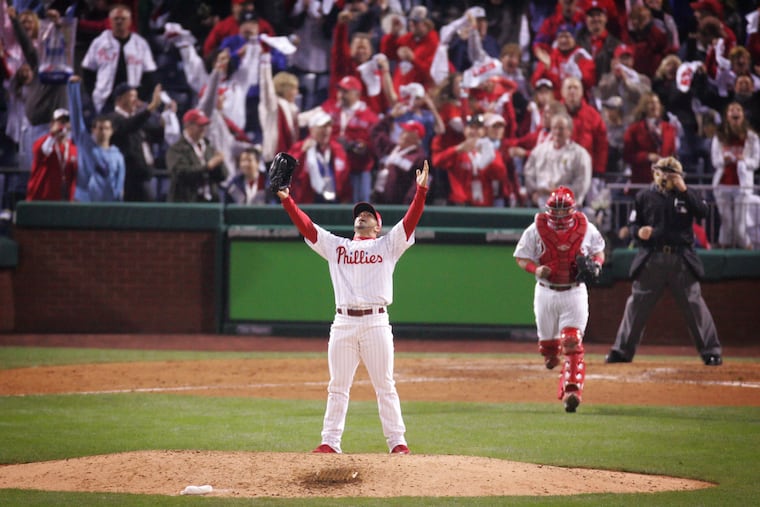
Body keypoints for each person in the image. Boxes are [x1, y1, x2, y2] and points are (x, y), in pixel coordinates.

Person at [275, 158, 430, 454]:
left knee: (385, 385)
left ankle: (398, 442)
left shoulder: (387, 245)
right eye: (359, 215)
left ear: (378, 225)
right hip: (343, 323)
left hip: (376, 323)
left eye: (368, 215)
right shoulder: (337, 246)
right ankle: (330, 442)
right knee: (337, 386)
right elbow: (307, 227)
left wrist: (420, 192)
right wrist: (286, 198)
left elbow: (410, 220)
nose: (362, 217)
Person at [605, 156, 723, 366]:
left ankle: (711, 352)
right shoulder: (644, 196)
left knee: (694, 306)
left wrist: (684, 189)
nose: (665, 176)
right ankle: (622, 351)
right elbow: (633, 225)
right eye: (662, 171)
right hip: (652, 258)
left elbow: (703, 212)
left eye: (671, 173)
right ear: (654, 172)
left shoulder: (688, 194)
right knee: (637, 306)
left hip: (681, 259)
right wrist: (639, 232)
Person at [514, 185, 606, 413]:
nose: (560, 215)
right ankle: (550, 354)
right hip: (546, 291)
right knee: (549, 350)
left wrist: (596, 265)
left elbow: (599, 252)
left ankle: (572, 391)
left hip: (574, 290)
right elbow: (521, 257)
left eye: (565, 210)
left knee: (572, 342)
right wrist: (536, 269)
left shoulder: (587, 228)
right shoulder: (536, 228)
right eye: (556, 210)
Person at [81, 5, 157, 113]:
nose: (119, 22)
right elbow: (88, 71)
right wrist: (94, 92)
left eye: (123, 19)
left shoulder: (140, 44)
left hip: (132, 101)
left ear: (130, 21)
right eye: (116, 19)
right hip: (105, 98)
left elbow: (150, 75)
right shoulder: (99, 42)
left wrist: (140, 97)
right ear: (110, 21)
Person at [710, 102, 760, 249]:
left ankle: (747, 249)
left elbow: (756, 161)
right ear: (727, 116)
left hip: (742, 185)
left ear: (743, 115)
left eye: (738, 109)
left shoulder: (752, 137)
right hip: (723, 184)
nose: (735, 112)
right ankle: (724, 248)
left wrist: (744, 160)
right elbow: (715, 160)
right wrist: (723, 160)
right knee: (726, 222)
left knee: (740, 223)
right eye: (732, 110)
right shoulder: (719, 136)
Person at [67, 77, 125, 202]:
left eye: (106, 128)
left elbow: (119, 186)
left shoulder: (118, 156)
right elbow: (76, 117)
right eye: (99, 128)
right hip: (84, 202)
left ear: (111, 131)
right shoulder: (85, 144)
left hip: (108, 207)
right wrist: (74, 88)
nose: (103, 131)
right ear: (93, 130)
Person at [523, 112, 591, 208]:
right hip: (540, 205)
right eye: (554, 128)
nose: (557, 132)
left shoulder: (580, 154)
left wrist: (557, 192)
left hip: (567, 208)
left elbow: (582, 182)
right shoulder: (540, 151)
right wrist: (534, 191)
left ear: (569, 131)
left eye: (561, 128)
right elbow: (529, 173)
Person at [166, 109, 229, 203]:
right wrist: (207, 167)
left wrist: (219, 163)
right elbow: (180, 173)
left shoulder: (208, 147)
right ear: (188, 126)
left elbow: (223, 176)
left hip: (210, 201)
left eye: (204, 125)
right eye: (200, 125)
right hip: (187, 203)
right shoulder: (176, 149)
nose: (203, 128)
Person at [25, 108, 77, 201]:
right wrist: (53, 134)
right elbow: (45, 151)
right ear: (52, 123)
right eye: (60, 122)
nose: (63, 125)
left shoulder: (73, 148)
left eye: (66, 122)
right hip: (41, 196)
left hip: (63, 197)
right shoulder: (41, 142)